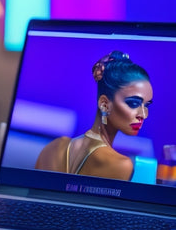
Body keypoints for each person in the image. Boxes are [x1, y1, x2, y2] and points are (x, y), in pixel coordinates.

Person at [35, 51, 153, 181]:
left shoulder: (53, 147)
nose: (143, 115)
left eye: (146, 105)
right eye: (133, 103)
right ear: (104, 104)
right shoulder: (121, 164)